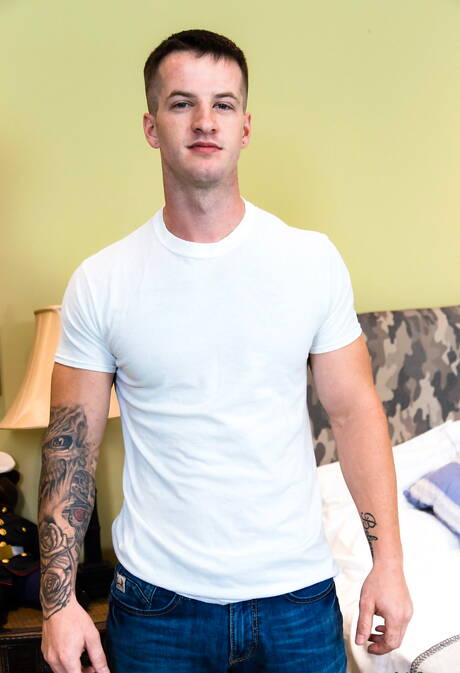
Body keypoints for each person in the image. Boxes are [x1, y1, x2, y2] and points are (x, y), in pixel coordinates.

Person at [38, 28, 413, 673]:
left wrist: (389, 564)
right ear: (151, 127)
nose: (205, 121)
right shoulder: (102, 282)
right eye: (182, 103)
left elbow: (355, 414)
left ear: (246, 126)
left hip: (297, 600)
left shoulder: (310, 261)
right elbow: (71, 443)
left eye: (224, 104)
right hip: (157, 607)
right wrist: (57, 603)